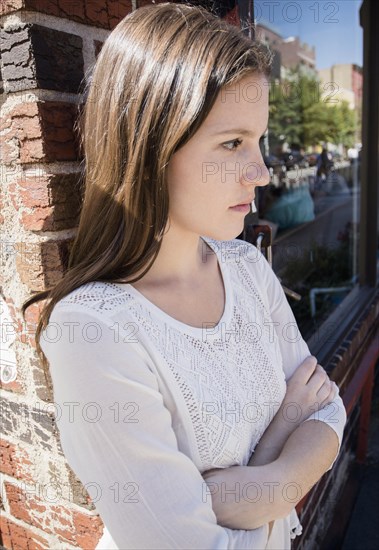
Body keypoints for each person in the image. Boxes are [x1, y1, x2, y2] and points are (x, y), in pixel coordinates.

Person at [22, 3, 347, 549]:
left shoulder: (245, 269)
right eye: (232, 142)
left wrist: (259, 483)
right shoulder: (96, 333)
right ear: (150, 145)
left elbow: (328, 409)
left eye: (259, 141)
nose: (262, 171)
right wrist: (285, 440)